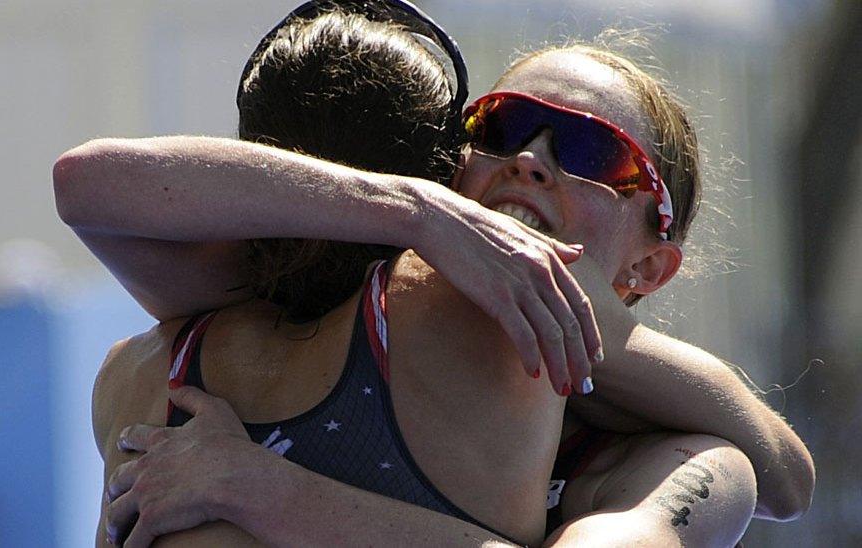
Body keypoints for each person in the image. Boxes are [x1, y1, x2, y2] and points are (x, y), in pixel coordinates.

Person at [54, 3, 814, 547]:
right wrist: (414, 211)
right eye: (500, 126)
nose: (530, 159)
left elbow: (783, 476)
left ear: (650, 262)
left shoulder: (670, 464)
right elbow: (85, 186)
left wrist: (260, 490)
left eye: (593, 152)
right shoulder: (211, 331)